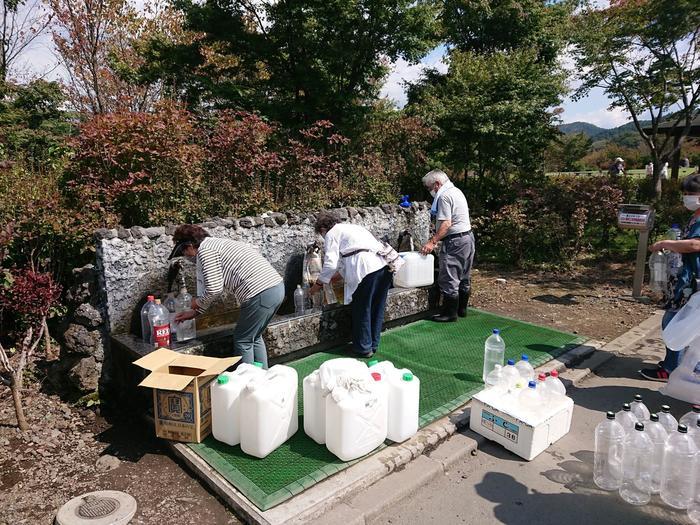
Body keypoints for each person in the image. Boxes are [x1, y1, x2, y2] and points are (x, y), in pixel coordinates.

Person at [170, 225, 284, 368]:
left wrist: (196, 303)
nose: (185, 256)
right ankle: (263, 378)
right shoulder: (216, 243)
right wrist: (196, 312)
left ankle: (248, 383)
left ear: (190, 246)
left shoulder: (206, 251)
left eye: (183, 251)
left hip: (260, 292)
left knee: (243, 340)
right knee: (253, 337)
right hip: (276, 287)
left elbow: (214, 288)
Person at [641, 173, 700, 381]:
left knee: (675, 322)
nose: (687, 197)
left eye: (691, 193)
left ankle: (672, 369)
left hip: (693, 282)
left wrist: (665, 243)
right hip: (686, 278)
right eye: (685, 193)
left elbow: (695, 244)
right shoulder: (695, 216)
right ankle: (676, 366)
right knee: (679, 322)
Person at [309, 211, 391, 358]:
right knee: (376, 306)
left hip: (367, 268)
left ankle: (363, 348)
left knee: (362, 307)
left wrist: (318, 284)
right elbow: (343, 261)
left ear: (322, 229)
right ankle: (373, 344)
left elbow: (330, 263)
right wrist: (332, 278)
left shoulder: (331, 233)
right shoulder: (352, 228)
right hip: (384, 264)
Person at [420, 169, 475, 322]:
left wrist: (432, 242)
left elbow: (446, 224)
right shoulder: (456, 191)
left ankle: (449, 314)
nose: (429, 191)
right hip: (467, 237)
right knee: (464, 275)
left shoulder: (444, 196)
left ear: (437, 184)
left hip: (455, 241)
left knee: (450, 276)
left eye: (429, 187)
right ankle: (461, 309)